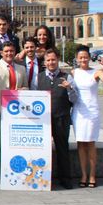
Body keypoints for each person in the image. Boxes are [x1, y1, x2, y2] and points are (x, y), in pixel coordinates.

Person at [0, 41, 27, 186]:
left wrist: (24, 90)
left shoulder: (21, 69)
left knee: (13, 144)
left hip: (16, 112)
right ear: (2, 53)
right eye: (6, 51)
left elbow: (26, 86)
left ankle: (13, 172)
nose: (9, 54)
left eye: (11, 51)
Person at [71, 46, 103, 188]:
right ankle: (84, 174)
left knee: (90, 143)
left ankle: (92, 175)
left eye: (85, 57)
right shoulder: (74, 72)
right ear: (77, 59)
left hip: (91, 112)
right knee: (81, 144)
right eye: (80, 57)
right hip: (78, 112)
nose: (83, 59)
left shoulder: (96, 72)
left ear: (89, 58)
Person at [37, 48, 77, 189]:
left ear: (58, 60)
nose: (51, 62)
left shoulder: (67, 77)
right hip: (44, 120)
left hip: (61, 117)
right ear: (44, 62)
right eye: (48, 60)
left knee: (62, 148)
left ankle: (65, 178)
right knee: (43, 149)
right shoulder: (39, 77)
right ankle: (43, 178)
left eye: (53, 59)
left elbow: (75, 99)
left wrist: (69, 88)